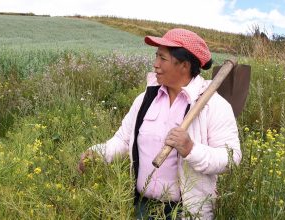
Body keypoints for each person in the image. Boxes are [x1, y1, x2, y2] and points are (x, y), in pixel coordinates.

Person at [78, 28, 241, 219]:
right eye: (156, 57)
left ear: (184, 65)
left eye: (162, 59)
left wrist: (190, 149)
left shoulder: (213, 105)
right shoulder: (145, 100)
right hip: (143, 206)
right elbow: (123, 140)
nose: (155, 65)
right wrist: (97, 153)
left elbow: (231, 158)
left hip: (186, 210)